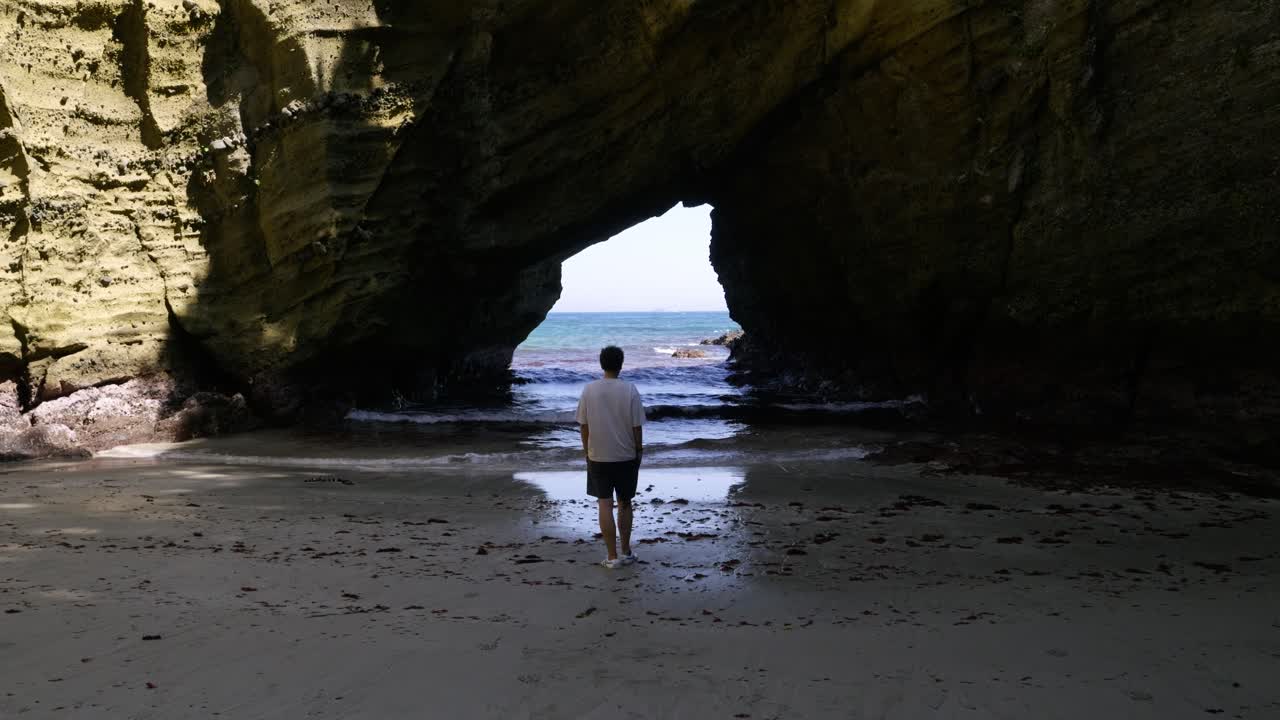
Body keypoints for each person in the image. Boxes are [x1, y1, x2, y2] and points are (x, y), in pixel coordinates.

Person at [576, 345, 645, 568]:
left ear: (601, 363)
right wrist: (639, 450)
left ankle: (612, 557)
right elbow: (637, 427)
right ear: (621, 364)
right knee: (625, 503)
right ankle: (625, 551)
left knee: (604, 504)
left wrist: (587, 451)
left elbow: (584, 425)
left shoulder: (589, 390)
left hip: (598, 456)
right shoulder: (630, 389)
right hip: (625, 455)